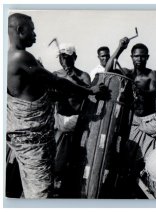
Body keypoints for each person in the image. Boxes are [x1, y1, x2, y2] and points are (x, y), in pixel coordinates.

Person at [7, 13, 110, 198]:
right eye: (32, 30)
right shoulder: (20, 57)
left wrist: (77, 86)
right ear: (20, 30)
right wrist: (89, 91)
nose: (35, 35)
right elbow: (57, 83)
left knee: (39, 182)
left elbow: (47, 90)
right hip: (33, 138)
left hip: (41, 135)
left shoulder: (82, 75)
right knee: (40, 190)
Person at [105, 37, 156, 174]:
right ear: (131, 57)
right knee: (131, 161)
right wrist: (120, 48)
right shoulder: (127, 73)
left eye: (142, 56)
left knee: (152, 161)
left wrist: (136, 88)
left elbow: (152, 92)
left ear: (147, 57)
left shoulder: (152, 74)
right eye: (136, 56)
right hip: (131, 123)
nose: (139, 59)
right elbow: (107, 69)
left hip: (149, 120)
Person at [53, 43, 91, 197]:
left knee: (74, 162)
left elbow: (90, 94)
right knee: (55, 160)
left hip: (77, 124)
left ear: (74, 57)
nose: (64, 61)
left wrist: (74, 79)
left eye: (67, 57)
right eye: (62, 57)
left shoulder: (83, 76)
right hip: (58, 120)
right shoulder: (55, 75)